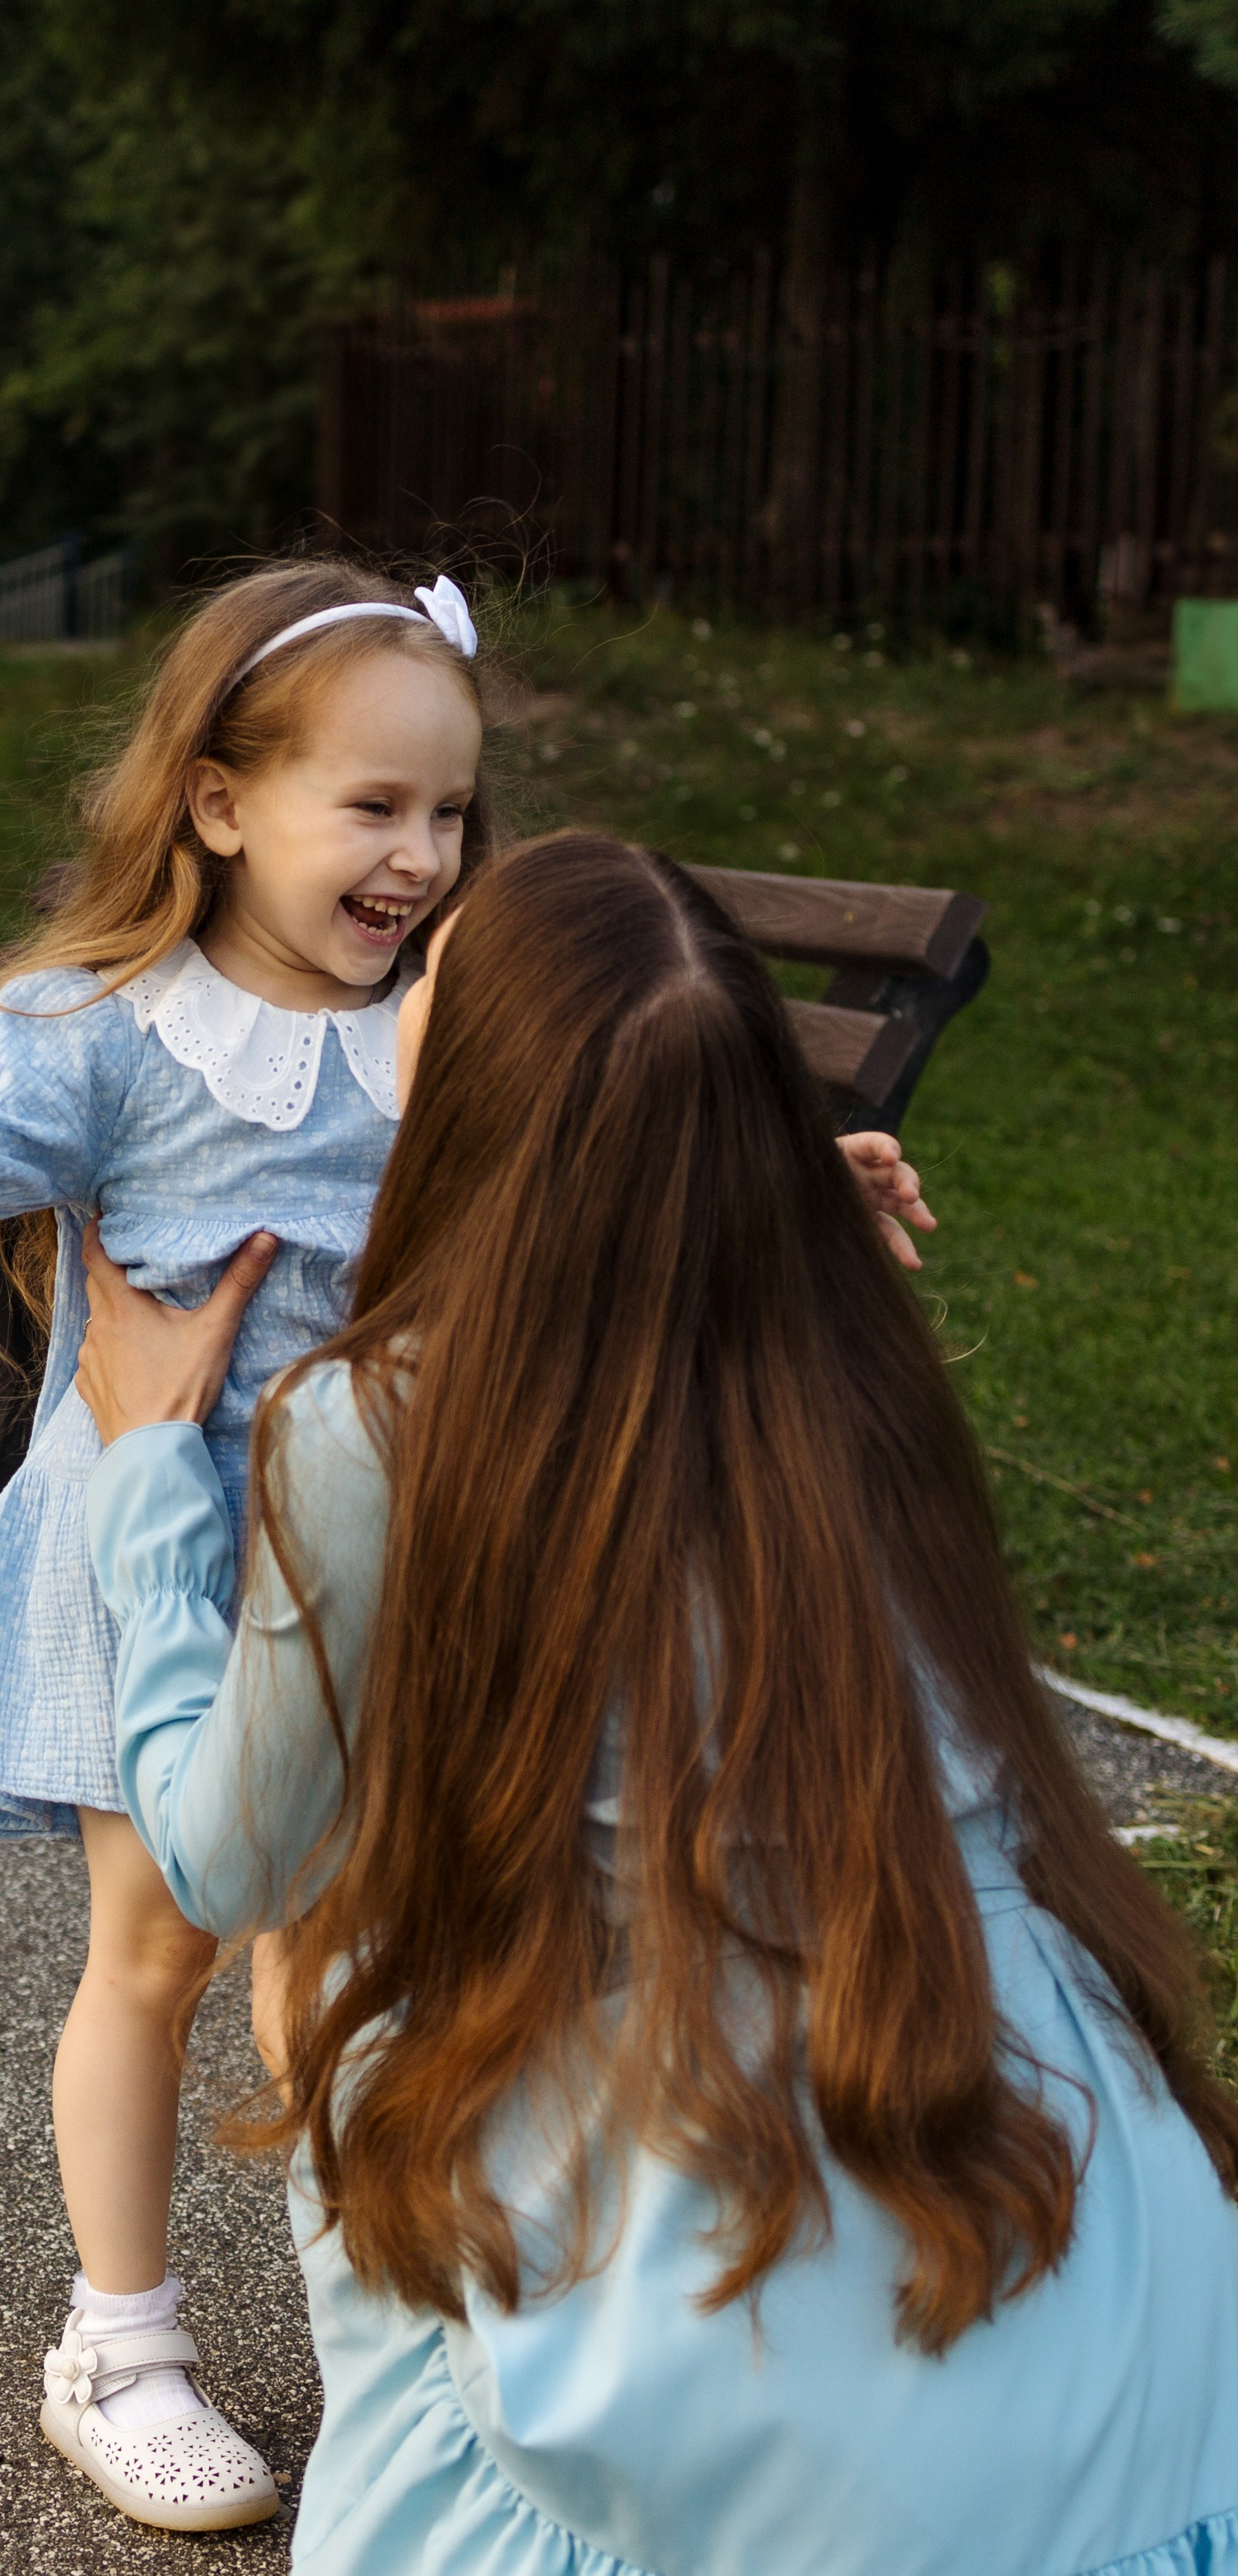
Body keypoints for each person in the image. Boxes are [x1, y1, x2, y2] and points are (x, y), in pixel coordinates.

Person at [0, 575, 930, 2535]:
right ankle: (115, 2340)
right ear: (216, 803)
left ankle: (390, 2301)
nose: (421, 854)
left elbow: (634, 1158)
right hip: (168, 1572)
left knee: (353, 1974)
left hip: (395, 1568)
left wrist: (802, 1175)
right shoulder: (114, 1038)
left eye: (451, 812)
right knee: (158, 1947)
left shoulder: (464, 1028)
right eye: (372, 805)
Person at [73, 832, 1238, 2576]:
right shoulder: (848, 1344)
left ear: (463, 1078)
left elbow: (234, 1856)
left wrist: (152, 1482)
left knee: (324, 1985)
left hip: (700, 2266)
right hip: (1099, 2240)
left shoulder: (379, 1420)